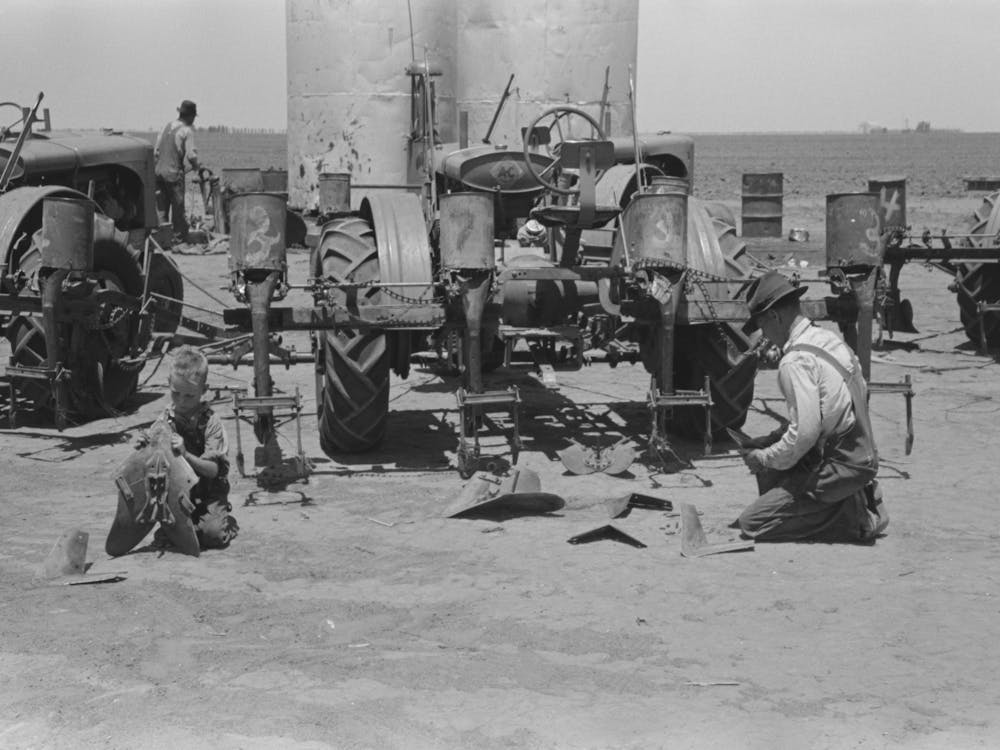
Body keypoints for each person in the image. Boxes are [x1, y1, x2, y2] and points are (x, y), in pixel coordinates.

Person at [733, 270, 889, 544]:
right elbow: (834, 409)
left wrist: (764, 457)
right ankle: (847, 497)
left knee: (752, 523)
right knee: (779, 452)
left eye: (763, 326)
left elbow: (805, 434)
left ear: (775, 317)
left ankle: (853, 516)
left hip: (842, 465)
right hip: (859, 455)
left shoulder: (795, 361)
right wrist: (772, 439)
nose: (764, 335)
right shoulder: (826, 339)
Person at [154, 345, 238, 549]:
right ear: (168, 384)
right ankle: (190, 523)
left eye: (189, 396)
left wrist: (185, 454)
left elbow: (213, 470)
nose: (181, 401)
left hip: (210, 491)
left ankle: (227, 522)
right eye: (176, 393)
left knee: (213, 536)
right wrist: (145, 445)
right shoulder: (166, 418)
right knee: (164, 538)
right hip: (181, 491)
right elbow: (154, 454)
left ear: (204, 391)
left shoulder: (211, 423)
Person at [154, 99, 202, 243]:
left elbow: (156, 152)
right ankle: (178, 239)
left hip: (158, 173)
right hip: (174, 175)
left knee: (161, 209)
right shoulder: (186, 130)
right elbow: (191, 155)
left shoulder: (165, 127)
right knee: (178, 208)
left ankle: (162, 239)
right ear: (190, 116)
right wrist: (196, 166)